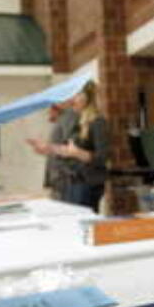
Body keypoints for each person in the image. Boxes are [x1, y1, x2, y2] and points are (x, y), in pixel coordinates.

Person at [31, 81, 109, 211]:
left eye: (77, 94)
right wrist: (48, 148)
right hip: (70, 183)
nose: (73, 98)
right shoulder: (76, 120)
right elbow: (69, 150)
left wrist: (78, 153)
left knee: (81, 226)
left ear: (87, 97)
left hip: (86, 183)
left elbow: (102, 158)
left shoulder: (98, 122)